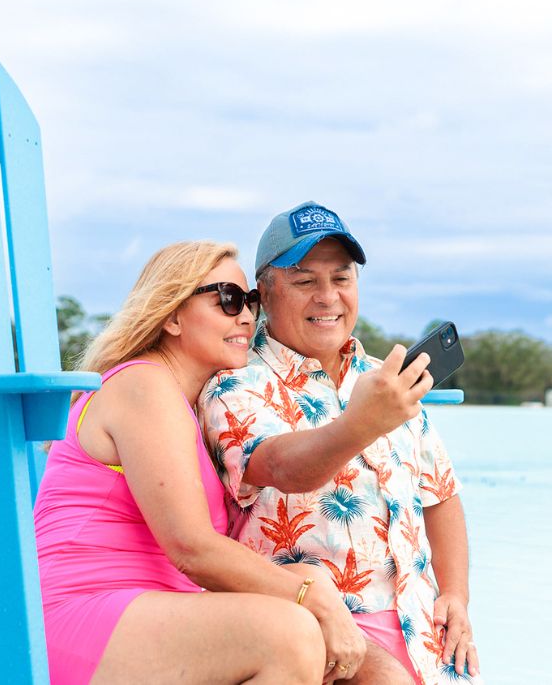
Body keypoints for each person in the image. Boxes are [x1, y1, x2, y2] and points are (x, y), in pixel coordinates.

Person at [34, 241, 367, 685]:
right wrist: (313, 597)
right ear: (171, 315)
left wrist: (309, 582)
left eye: (249, 302)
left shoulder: (190, 407)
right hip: (78, 618)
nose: (246, 317)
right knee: (289, 634)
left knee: (301, 609)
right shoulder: (143, 384)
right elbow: (191, 547)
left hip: (147, 617)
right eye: (227, 300)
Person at [198, 203, 482, 684]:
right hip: (317, 631)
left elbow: (442, 493)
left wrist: (455, 595)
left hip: (425, 633)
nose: (327, 297)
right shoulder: (234, 384)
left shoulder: (383, 379)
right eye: (305, 281)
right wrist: (363, 423)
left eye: (342, 279)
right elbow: (283, 468)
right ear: (263, 295)